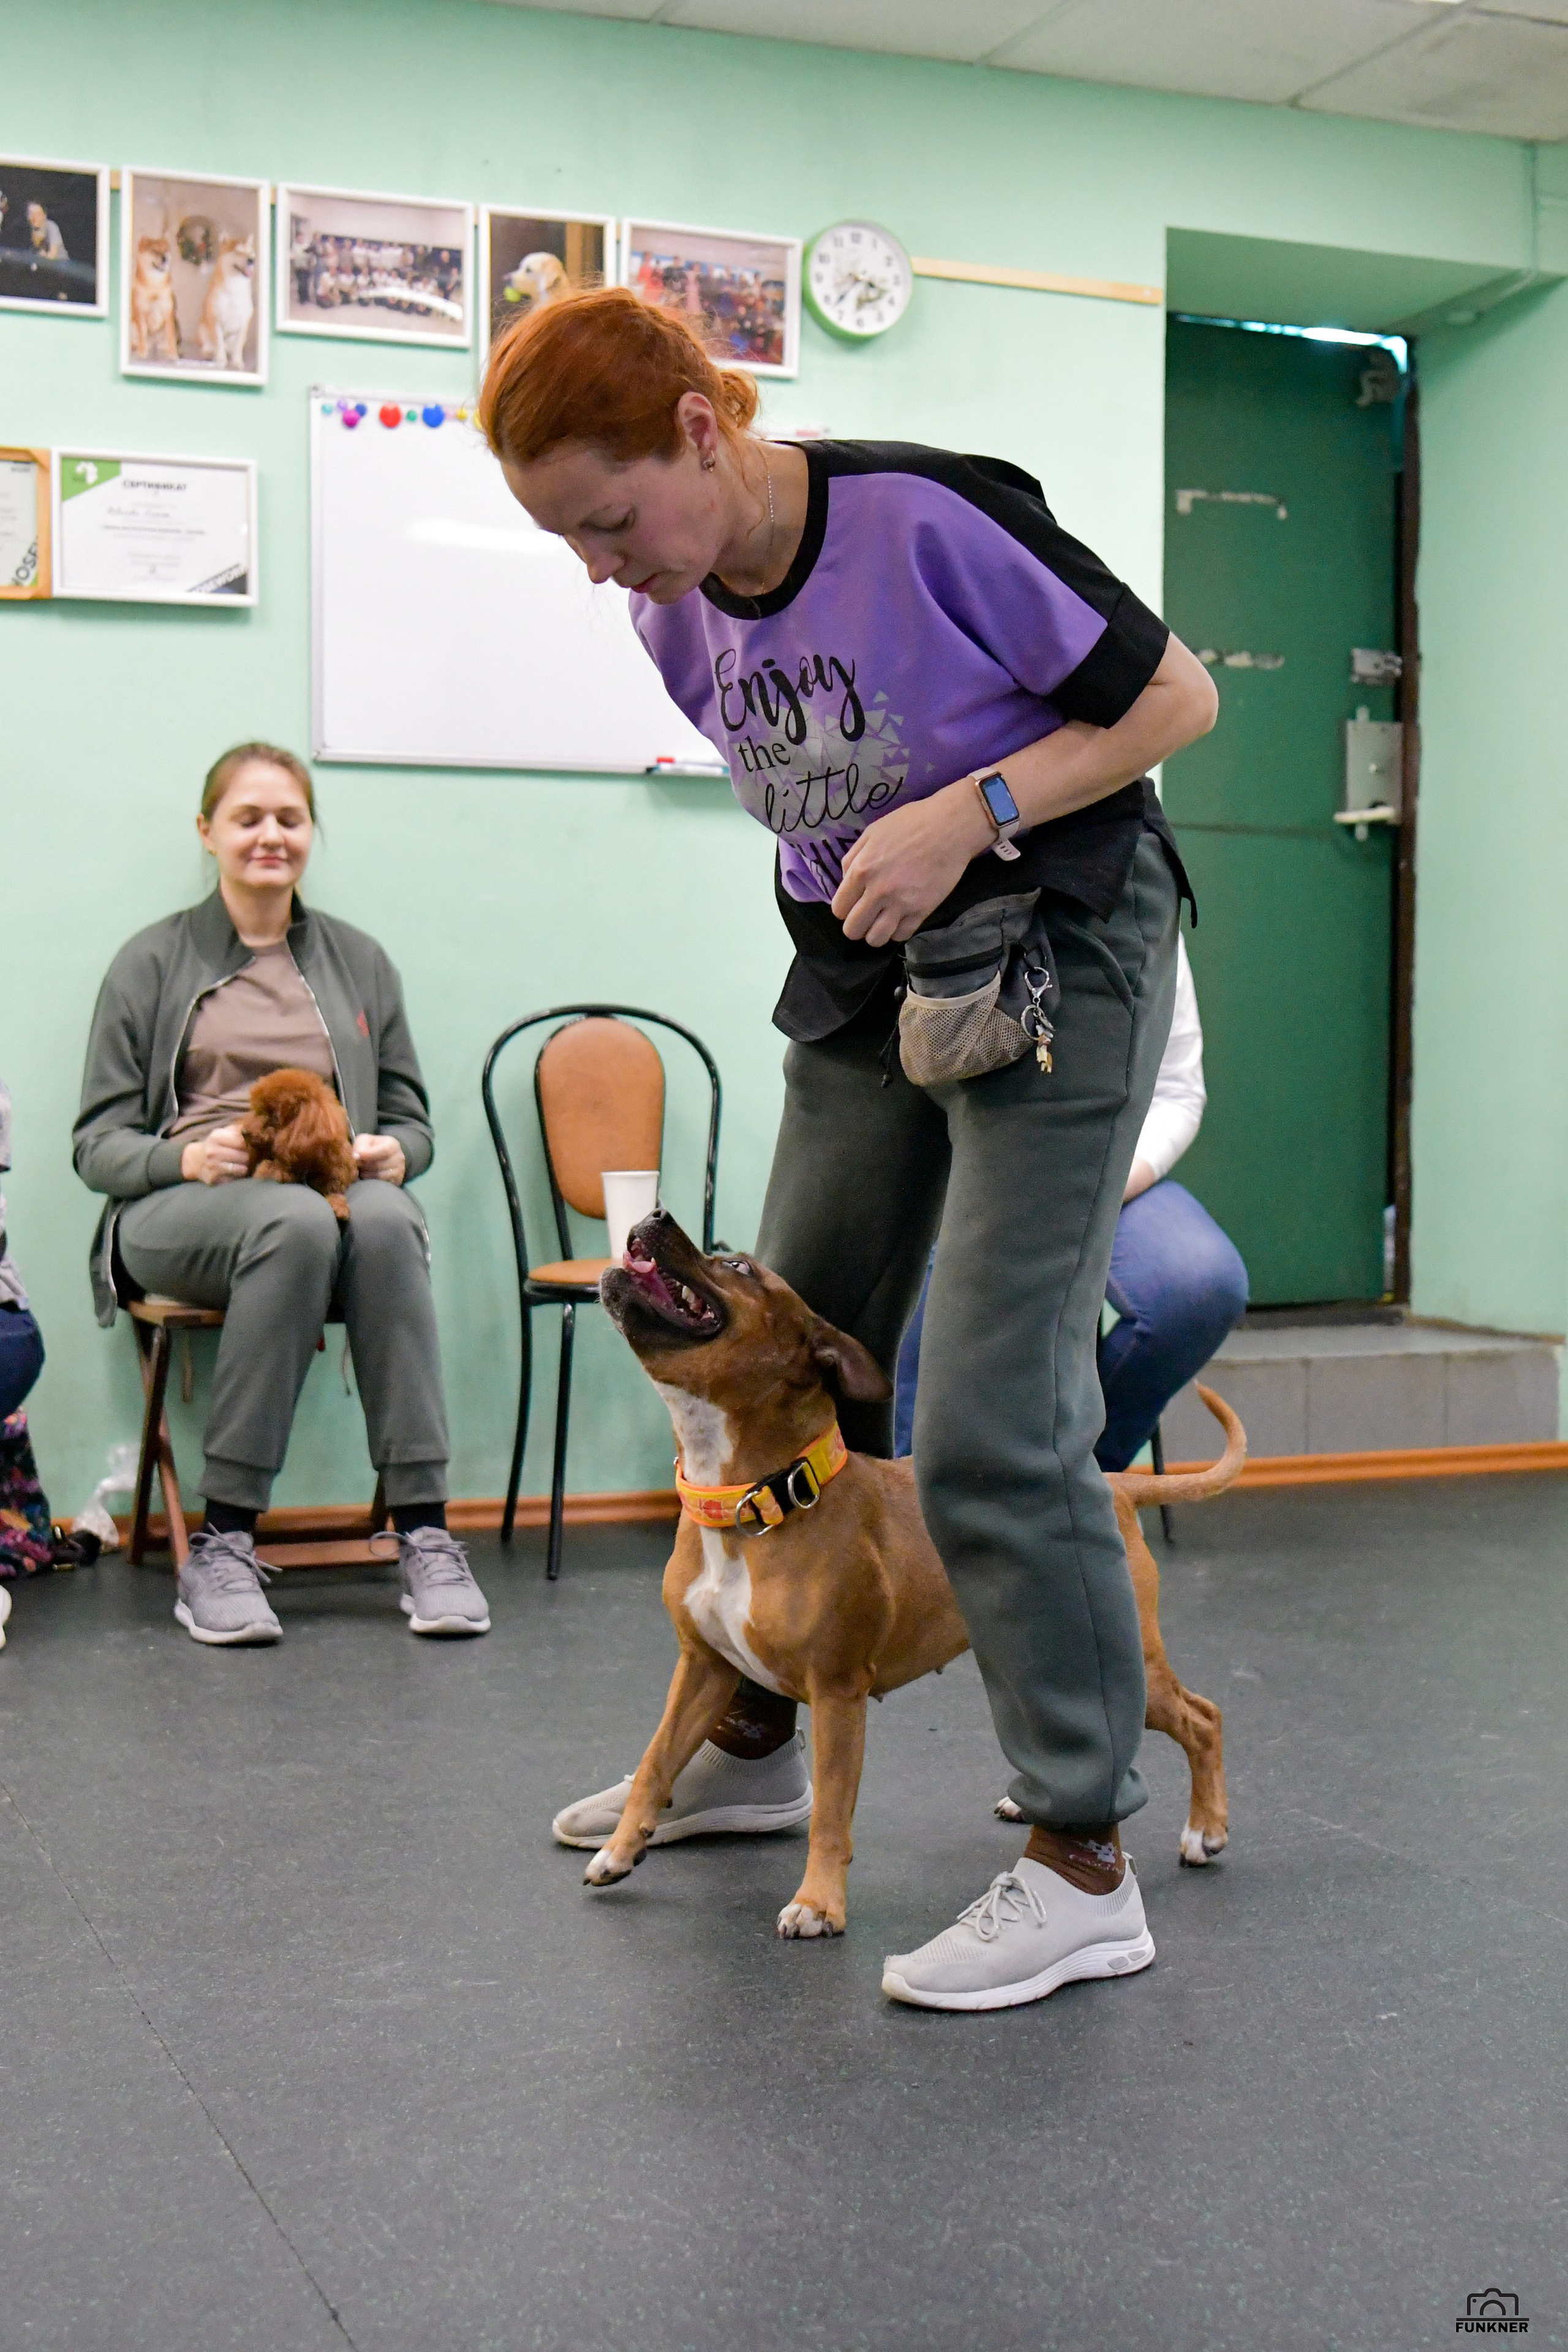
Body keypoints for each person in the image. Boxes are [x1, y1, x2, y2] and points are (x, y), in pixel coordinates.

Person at [480, 287, 1220, 2012]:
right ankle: (750, 1727)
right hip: (867, 970)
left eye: (607, 521)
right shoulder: (674, 609)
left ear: (695, 429)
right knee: (771, 1341)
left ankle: (1080, 1856)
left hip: (1062, 939)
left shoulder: (921, 515)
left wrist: (976, 811)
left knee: (981, 1412)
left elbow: (1173, 699)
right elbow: (814, 823)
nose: (601, 568)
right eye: (563, 544)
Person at [73, 742, 490, 1649]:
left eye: (289, 819)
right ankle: (224, 1542)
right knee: (296, 1221)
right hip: (179, 1209)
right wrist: (183, 1162)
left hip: (328, 1197)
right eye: (249, 818)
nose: (271, 836)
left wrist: (392, 1153)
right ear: (208, 833)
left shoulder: (359, 962)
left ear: (311, 834)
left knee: (383, 1222)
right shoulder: (151, 962)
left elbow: (415, 1121)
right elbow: (96, 1146)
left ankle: (423, 1530)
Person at [894, 936, 1249, 1468]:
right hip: (964, 1173)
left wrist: (1097, 1185)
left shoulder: (1145, 908)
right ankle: (922, 1501)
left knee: (1201, 1282)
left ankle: (1079, 1481)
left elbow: (1178, 1092)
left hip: (1102, 1172)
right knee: (940, 1283)